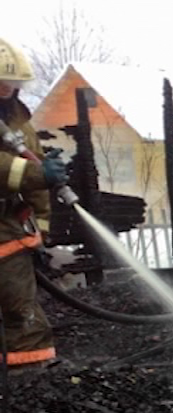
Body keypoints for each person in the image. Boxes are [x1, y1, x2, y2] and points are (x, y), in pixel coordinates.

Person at [0, 38, 68, 368]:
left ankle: (31, 378)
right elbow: (21, 172)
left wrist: (41, 233)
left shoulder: (20, 126)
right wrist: (34, 172)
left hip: (8, 232)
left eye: (12, 84)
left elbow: (39, 187)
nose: (7, 90)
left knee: (21, 309)